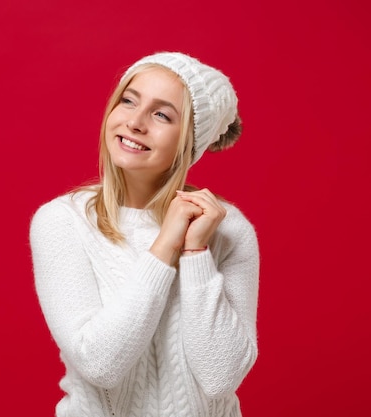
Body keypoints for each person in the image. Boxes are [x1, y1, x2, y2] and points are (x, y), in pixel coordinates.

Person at [29, 51, 259, 417]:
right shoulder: (62, 221)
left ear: (191, 141)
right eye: (128, 101)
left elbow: (220, 377)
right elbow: (100, 364)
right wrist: (166, 245)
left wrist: (196, 252)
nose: (135, 122)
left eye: (162, 114)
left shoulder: (227, 229)